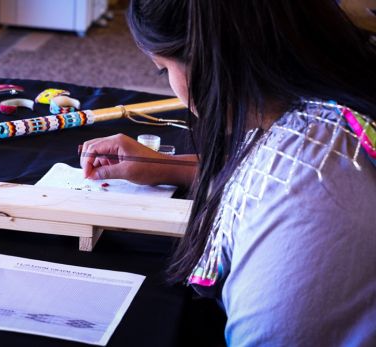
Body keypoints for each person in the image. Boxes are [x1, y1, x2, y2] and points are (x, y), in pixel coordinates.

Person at [80, 0, 376, 345]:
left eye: (164, 70)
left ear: (211, 58)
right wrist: (167, 166)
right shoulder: (317, 108)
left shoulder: (310, 193)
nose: (173, 87)